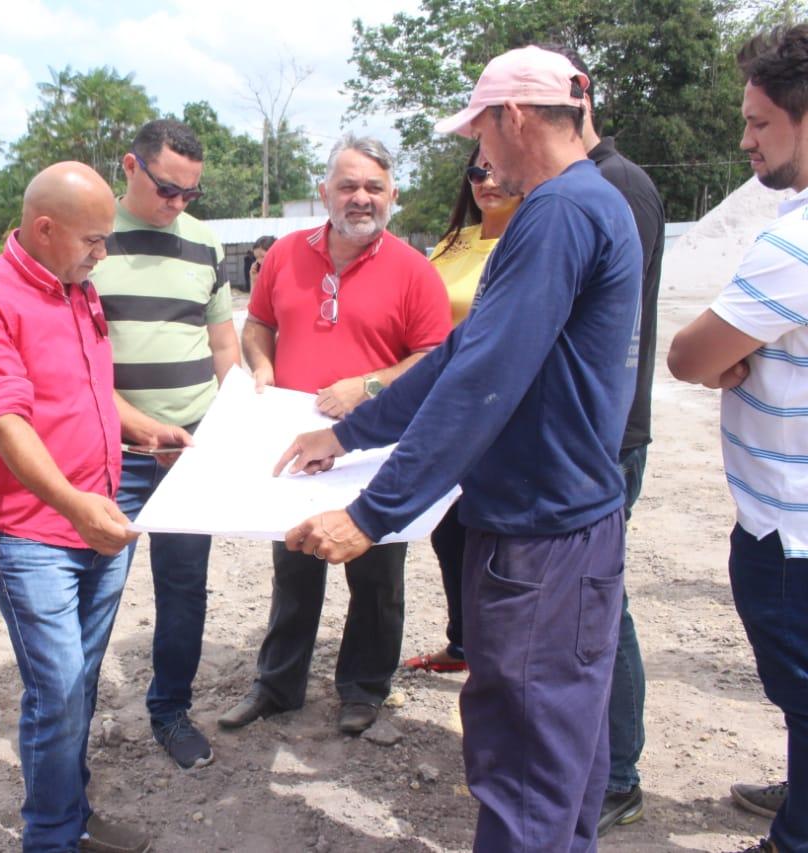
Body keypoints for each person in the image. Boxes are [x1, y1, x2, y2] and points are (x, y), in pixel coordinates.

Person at [275, 47, 642, 851]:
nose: (478, 153)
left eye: (479, 129)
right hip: (569, 527)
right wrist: (348, 431)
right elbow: (459, 354)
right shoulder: (586, 201)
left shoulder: (557, 213)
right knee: (562, 755)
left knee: (522, 758)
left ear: (511, 116)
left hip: (540, 538)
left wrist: (373, 513)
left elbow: (481, 381)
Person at [0, 161, 147, 853]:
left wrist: (142, 429)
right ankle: (51, 839)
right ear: (44, 227)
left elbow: (85, 390)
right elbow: (6, 421)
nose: (103, 252)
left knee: (80, 684)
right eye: (92, 239)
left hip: (102, 523)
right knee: (56, 690)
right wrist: (74, 504)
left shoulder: (76, 287)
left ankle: (73, 816)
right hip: (36, 536)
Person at [218, 133, 452, 736]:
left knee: (375, 574)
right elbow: (259, 325)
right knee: (293, 566)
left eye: (374, 187)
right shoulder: (284, 255)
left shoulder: (414, 270)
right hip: (296, 445)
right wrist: (262, 365)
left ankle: (364, 689)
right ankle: (278, 686)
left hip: (372, 451)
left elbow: (433, 358)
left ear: (393, 195)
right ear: (324, 191)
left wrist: (369, 387)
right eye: (347, 185)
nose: (360, 198)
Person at [668, 24, 808, 853]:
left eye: (759, 122)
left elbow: (691, 354)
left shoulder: (794, 243)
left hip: (789, 528)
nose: (745, 138)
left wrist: (731, 356)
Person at [541, 44, 667, 838]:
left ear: (578, 98)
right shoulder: (600, 185)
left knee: (598, 607)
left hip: (604, 438)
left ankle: (616, 772)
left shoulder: (611, 186)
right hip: (601, 433)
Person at [89, 119, 240, 771]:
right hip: (111, 456)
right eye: (167, 189)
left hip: (192, 453)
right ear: (130, 167)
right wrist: (135, 427)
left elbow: (223, 343)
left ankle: (170, 710)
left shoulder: (204, 245)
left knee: (184, 589)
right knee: (94, 590)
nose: (178, 204)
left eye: (190, 194)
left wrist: (238, 417)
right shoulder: (91, 238)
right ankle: (72, 718)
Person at [403, 142, 522, 675]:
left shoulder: (531, 240)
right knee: (448, 534)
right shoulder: (450, 244)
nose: (486, 181)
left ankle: (499, 655)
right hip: (444, 413)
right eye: (477, 170)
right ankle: (464, 642)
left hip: (500, 419)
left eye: (498, 170)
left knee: (494, 544)